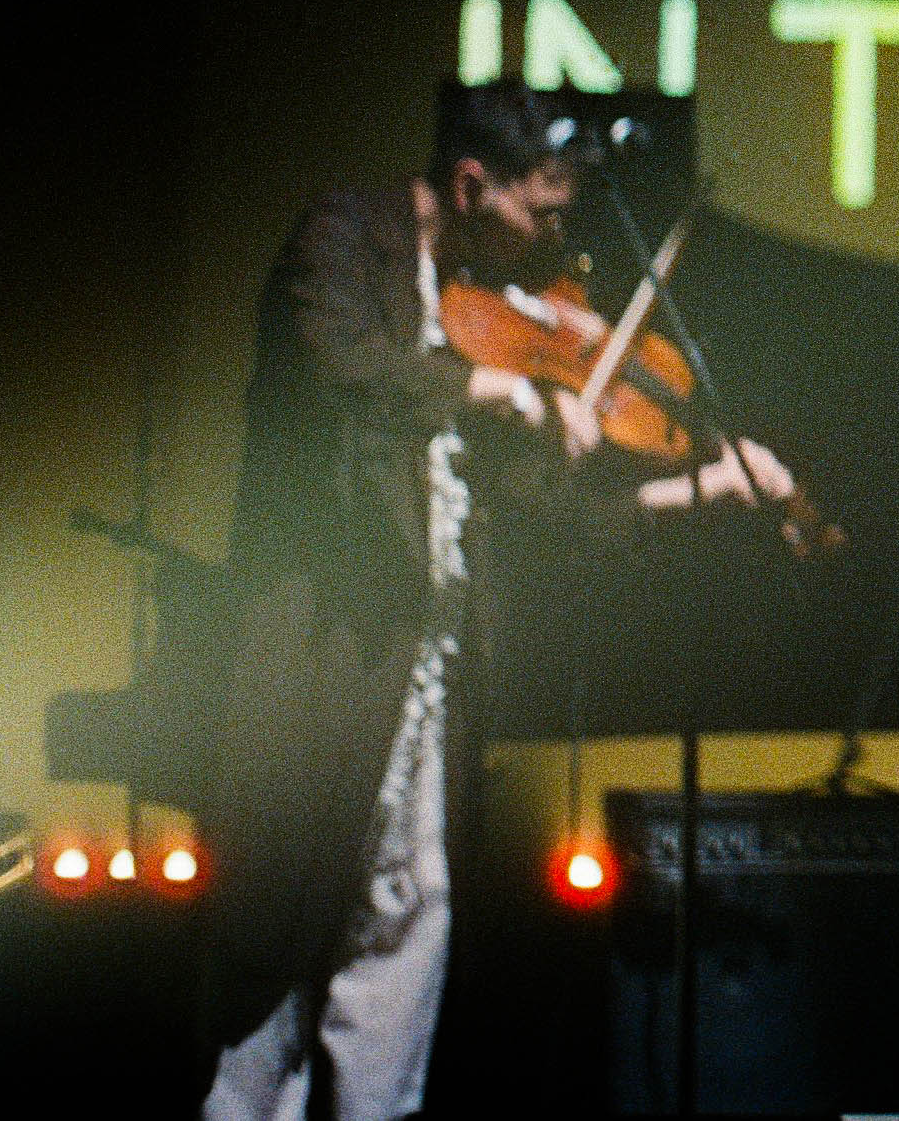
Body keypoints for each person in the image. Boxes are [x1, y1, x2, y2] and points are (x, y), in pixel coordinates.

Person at [197, 83, 805, 1121]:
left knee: (405, 933)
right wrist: (496, 389)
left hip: (425, 684)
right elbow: (345, 368)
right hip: (327, 671)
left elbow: (551, 512)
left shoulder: (469, 312)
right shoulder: (344, 238)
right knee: (280, 950)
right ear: (474, 184)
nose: (555, 241)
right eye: (542, 212)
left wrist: (702, 486)